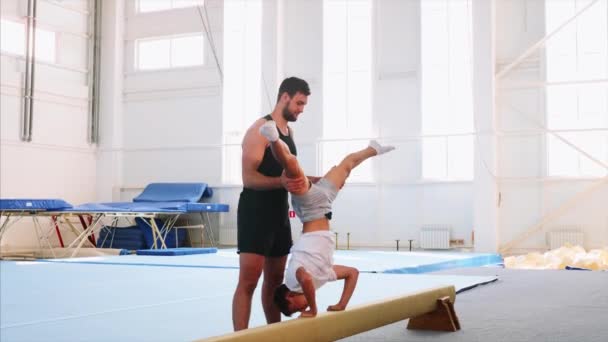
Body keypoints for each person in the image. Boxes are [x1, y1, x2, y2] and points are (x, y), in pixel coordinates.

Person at [258, 120, 396, 318]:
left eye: (298, 308)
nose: (302, 309)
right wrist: (342, 304)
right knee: (346, 165)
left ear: (289, 296)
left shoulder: (293, 281)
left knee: (293, 168)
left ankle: (273, 139)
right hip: (324, 203)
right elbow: (352, 273)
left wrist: (313, 310)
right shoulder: (322, 277)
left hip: (310, 209)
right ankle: (373, 149)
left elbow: (305, 279)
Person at [232, 77, 317, 331]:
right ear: (284, 97)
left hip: (279, 214)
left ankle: (274, 334)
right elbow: (249, 179)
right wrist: (280, 182)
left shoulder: (288, 133)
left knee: (274, 283)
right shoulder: (258, 130)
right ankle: (241, 338)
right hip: (254, 213)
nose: (301, 109)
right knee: (249, 281)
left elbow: (291, 175)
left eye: (304, 104)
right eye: (299, 103)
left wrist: (314, 181)